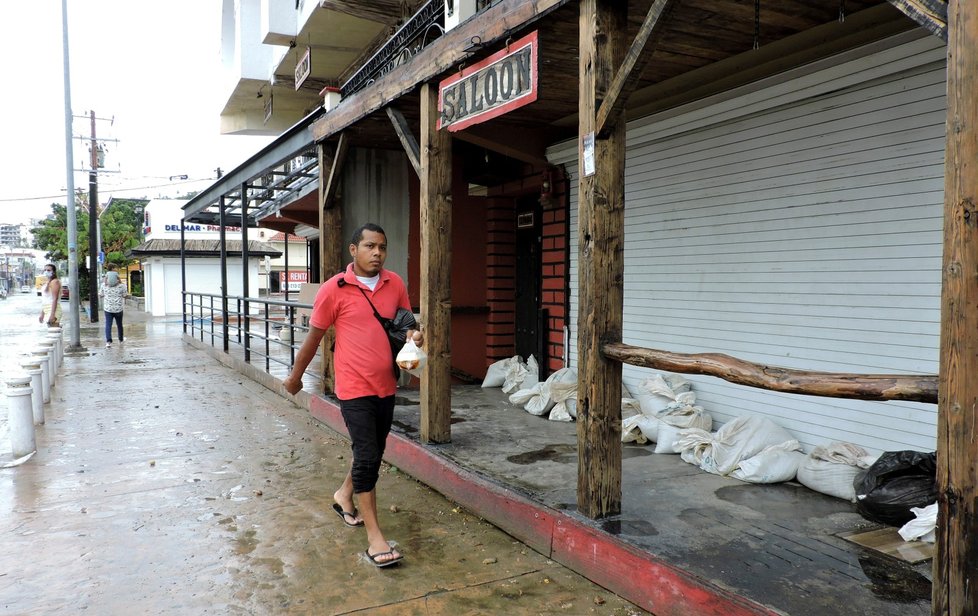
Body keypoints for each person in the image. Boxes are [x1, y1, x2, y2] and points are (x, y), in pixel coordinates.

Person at [283, 223, 422, 569]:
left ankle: (344, 494)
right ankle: (375, 536)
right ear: (353, 250)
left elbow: (407, 326)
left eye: (382, 247)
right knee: (368, 454)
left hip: (387, 384)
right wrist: (296, 377)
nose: (377, 253)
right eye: (370, 246)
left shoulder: (396, 284)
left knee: (373, 450)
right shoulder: (335, 289)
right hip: (353, 387)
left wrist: (417, 337)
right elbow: (314, 337)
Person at [99, 263, 127, 348]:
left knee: (108, 324)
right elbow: (125, 295)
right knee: (119, 324)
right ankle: (121, 339)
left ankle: (108, 342)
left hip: (108, 308)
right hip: (118, 308)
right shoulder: (122, 286)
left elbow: (101, 295)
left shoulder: (104, 285)